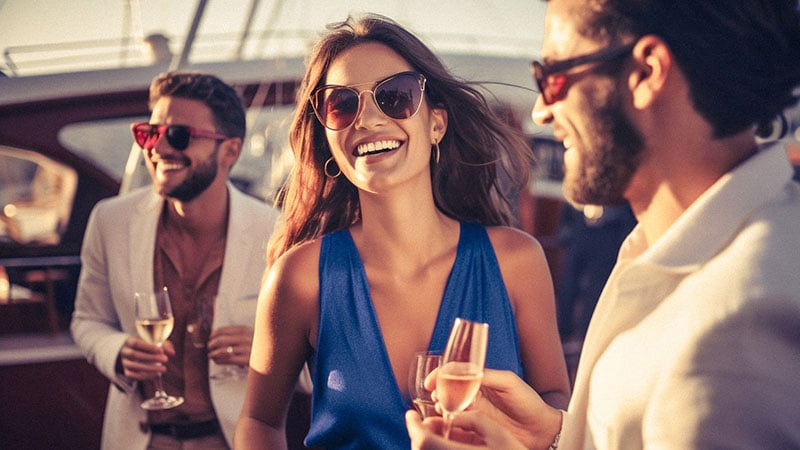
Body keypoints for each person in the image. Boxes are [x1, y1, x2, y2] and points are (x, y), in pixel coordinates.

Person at [406, 0, 800, 448]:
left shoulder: (729, 338)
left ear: (647, 73)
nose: (541, 111)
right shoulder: (687, 249)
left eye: (552, 77)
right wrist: (558, 436)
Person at [236, 13, 571, 450]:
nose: (368, 120)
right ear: (327, 137)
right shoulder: (300, 279)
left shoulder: (516, 261)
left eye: (395, 97)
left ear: (436, 124)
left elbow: (553, 401)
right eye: (342, 104)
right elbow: (259, 421)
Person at [71, 71, 280, 450]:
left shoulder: (276, 232)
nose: (160, 148)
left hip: (231, 440)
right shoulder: (110, 220)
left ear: (230, 151)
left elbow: (316, 356)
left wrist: (267, 353)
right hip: (140, 440)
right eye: (150, 134)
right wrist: (117, 351)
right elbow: (87, 321)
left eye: (180, 135)